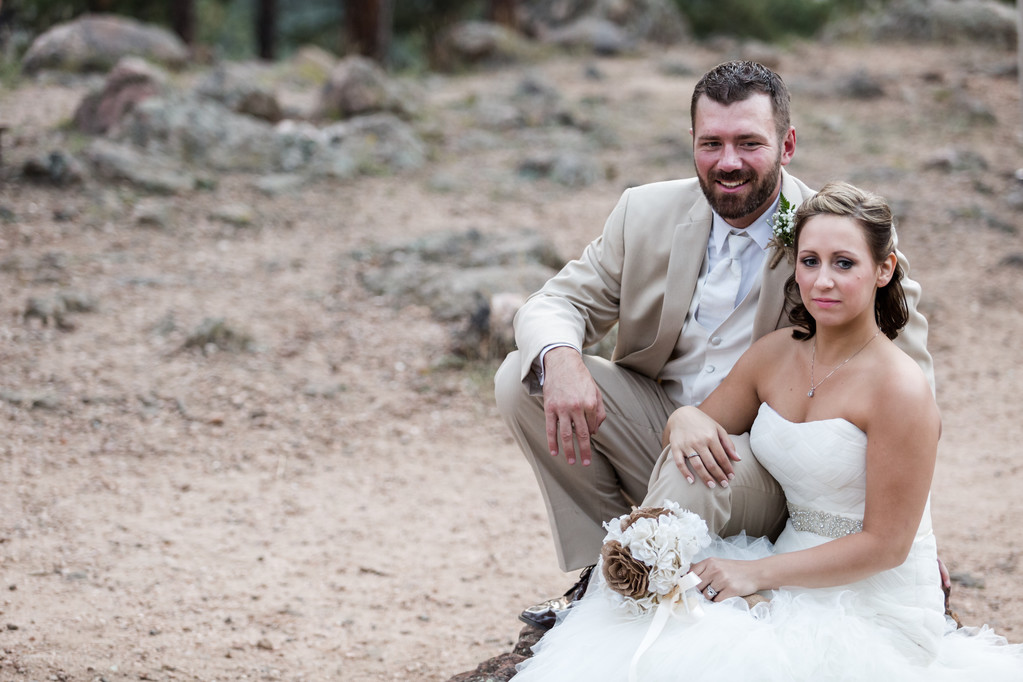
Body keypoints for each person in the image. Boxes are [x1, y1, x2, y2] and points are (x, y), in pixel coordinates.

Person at [511, 182, 1023, 681]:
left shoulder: (899, 389)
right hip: (785, 554)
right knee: (681, 639)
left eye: (844, 263)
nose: (823, 281)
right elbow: (697, 426)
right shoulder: (777, 354)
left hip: (871, 594)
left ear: (883, 269)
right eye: (810, 261)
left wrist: (754, 575)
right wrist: (683, 418)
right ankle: (623, 575)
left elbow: (885, 545)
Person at [493, 60, 933, 629]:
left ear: (787, 144)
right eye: (712, 143)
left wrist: (913, 530)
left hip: (765, 456)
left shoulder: (831, 234)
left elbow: (913, 389)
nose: (729, 162)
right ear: (693, 144)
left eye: (749, 143)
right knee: (521, 378)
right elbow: (554, 302)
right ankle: (604, 571)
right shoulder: (645, 211)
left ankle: (621, 596)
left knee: (697, 467)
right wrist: (562, 358)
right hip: (663, 417)